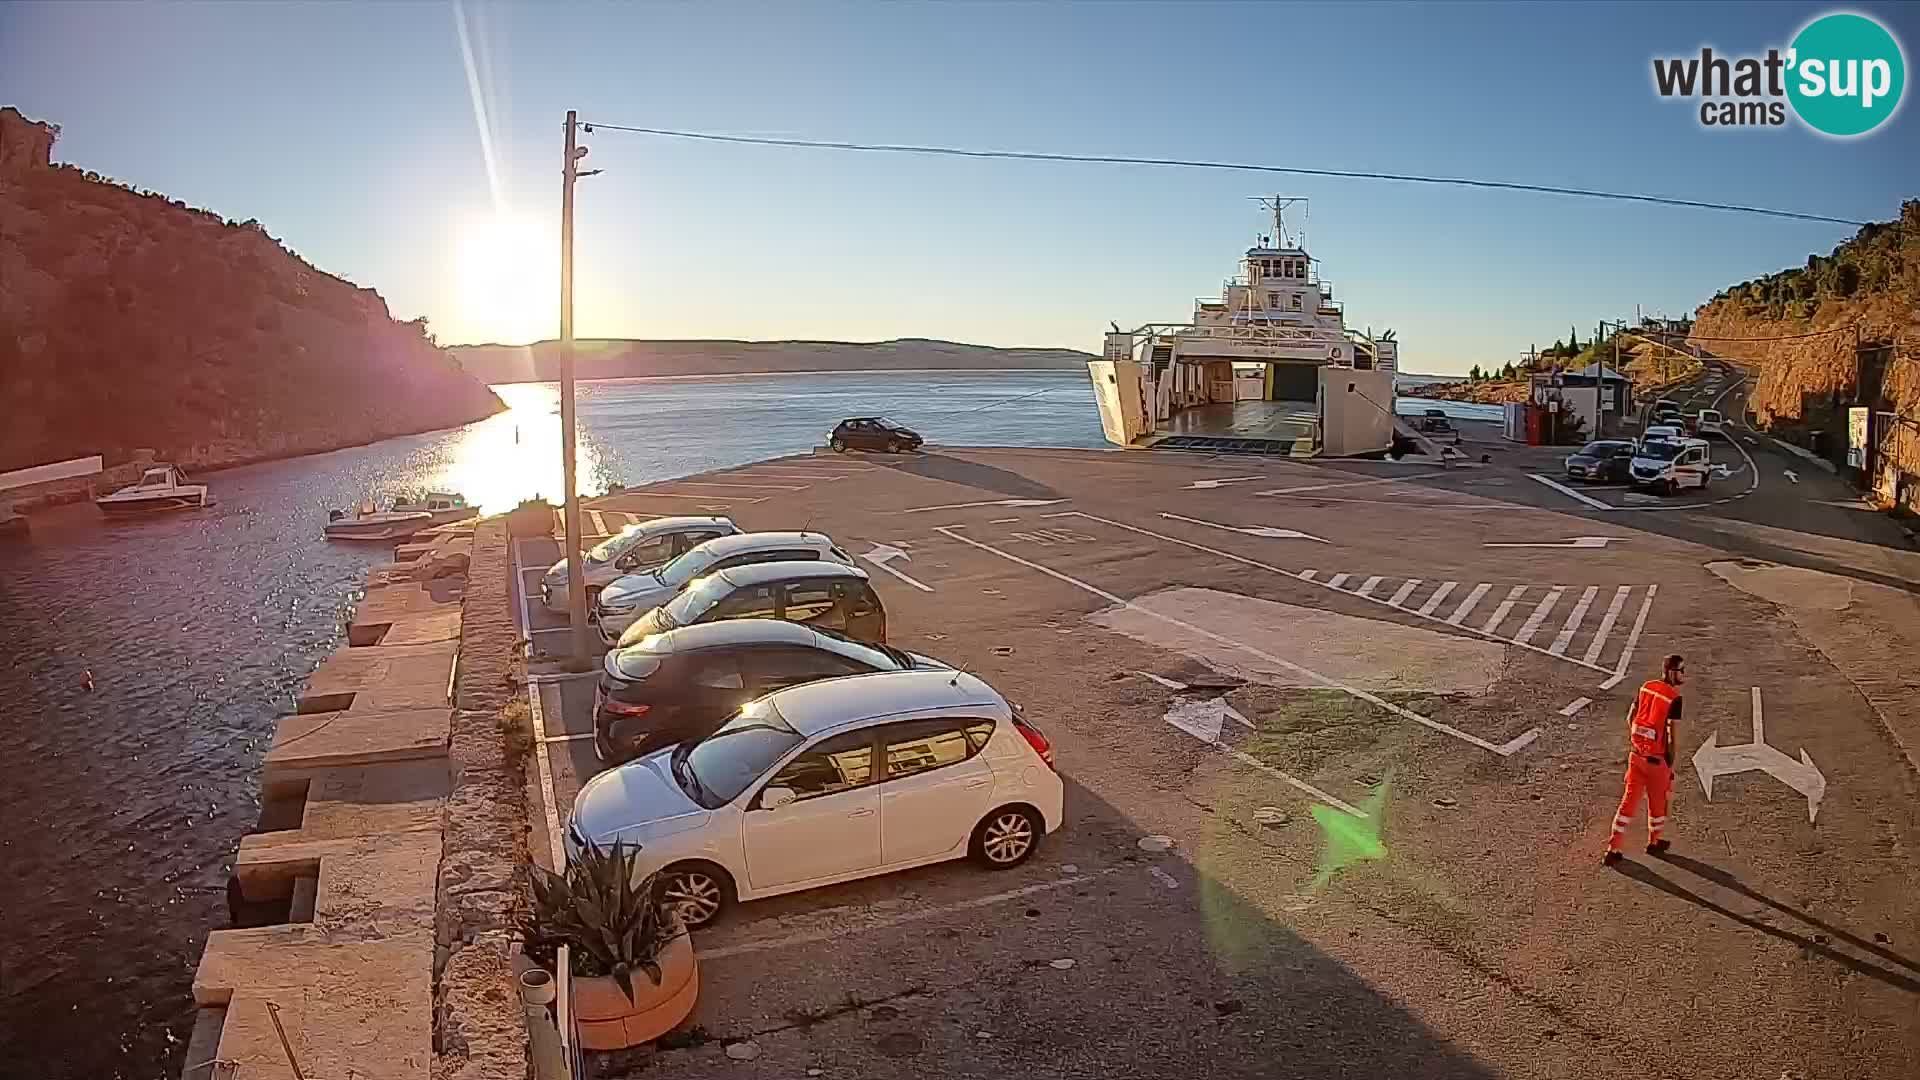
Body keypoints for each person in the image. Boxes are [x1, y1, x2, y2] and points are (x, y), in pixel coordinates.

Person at [1603, 654, 1684, 866]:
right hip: (1657, 762)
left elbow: (1630, 716)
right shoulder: (1673, 698)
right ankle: (1653, 842)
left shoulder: (1646, 687)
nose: (1683, 675)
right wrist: (1671, 764)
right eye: (1681, 670)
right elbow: (1671, 736)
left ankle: (1613, 848)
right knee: (1658, 804)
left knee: (1628, 802)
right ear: (1671, 672)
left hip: (1636, 756)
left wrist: (1638, 740)